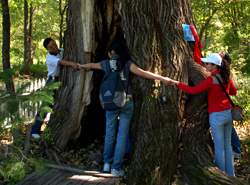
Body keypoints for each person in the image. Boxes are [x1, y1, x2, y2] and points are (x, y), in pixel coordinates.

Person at [80, 42, 172, 177]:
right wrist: (162, 78)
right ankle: (116, 168)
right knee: (122, 135)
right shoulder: (127, 63)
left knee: (110, 132)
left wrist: (80, 66)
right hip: (127, 101)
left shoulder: (106, 63)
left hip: (111, 101)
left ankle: (107, 164)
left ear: (112, 53)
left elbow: (91, 65)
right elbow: (143, 73)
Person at [164, 52, 237, 176]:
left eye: (208, 63)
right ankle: (231, 175)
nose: (205, 65)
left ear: (214, 66)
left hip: (216, 116)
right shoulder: (226, 77)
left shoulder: (211, 79)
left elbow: (193, 90)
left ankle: (222, 175)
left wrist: (176, 83)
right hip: (228, 114)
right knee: (227, 147)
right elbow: (233, 92)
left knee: (219, 148)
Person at [30, 38, 80, 138]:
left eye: (53, 44)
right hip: (53, 81)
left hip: (63, 79)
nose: (54, 47)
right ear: (48, 49)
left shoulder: (62, 51)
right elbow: (61, 62)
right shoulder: (49, 58)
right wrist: (72, 64)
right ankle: (34, 131)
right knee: (46, 104)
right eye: (50, 47)